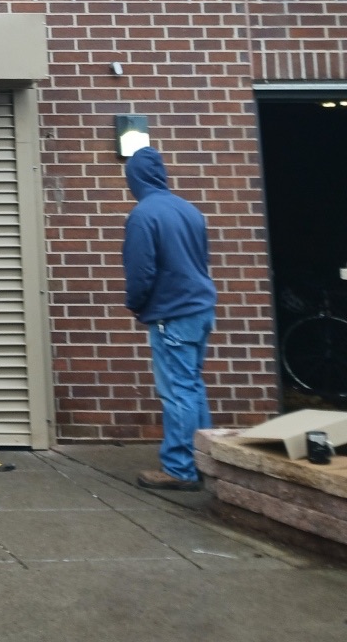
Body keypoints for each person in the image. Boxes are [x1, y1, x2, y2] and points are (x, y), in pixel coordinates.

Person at [122, 145, 217, 492]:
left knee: (177, 391)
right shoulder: (189, 210)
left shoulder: (144, 215)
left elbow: (140, 271)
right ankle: (203, 460)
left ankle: (180, 469)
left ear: (134, 178)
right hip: (200, 309)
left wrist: (135, 304)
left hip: (172, 313)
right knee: (191, 386)